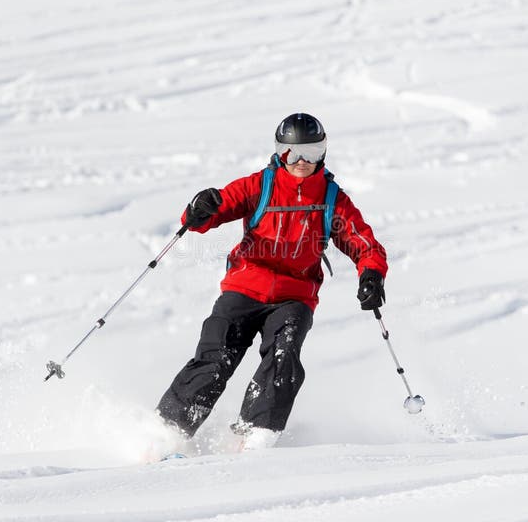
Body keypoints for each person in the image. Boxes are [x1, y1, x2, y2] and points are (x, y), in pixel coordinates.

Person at [157, 113, 387, 450]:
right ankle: (170, 430)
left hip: (294, 296)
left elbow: (362, 242)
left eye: (311, 152)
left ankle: (255, 433)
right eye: (293, 153)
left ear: (323, 152)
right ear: (280, 152)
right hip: (245, 285)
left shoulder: (331, 198)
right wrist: (201, 208)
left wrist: (371, 273)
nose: (301, 162)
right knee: (217, 352)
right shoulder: (260, 185)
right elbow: (219, 206)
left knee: (284, 356)